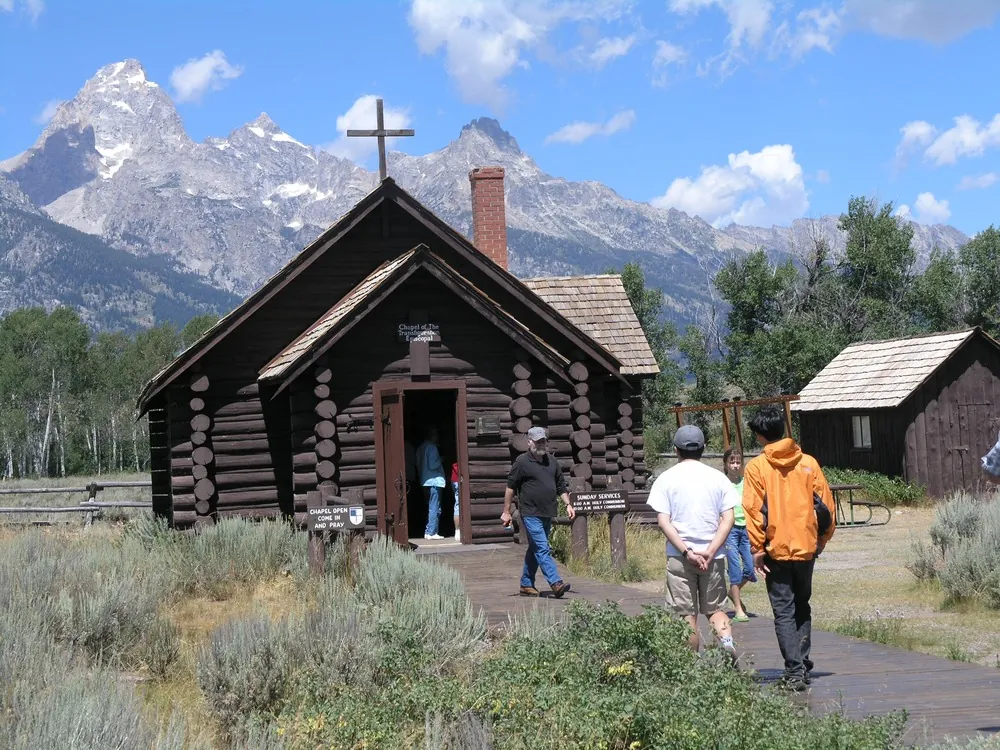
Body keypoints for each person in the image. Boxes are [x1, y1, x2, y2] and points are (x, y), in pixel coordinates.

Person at [743, 407, 836, 692]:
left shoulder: (757, 467)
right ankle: (802, 664)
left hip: (775, 549)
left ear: (760, 436)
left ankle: (794, 672)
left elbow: (752, 511)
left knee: (783, 611)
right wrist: (822, 539)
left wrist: (757, 548)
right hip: (806, 548)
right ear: (782, 430)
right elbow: (826, 506)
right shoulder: (808, 463)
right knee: (802, 606)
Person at [647, 424, 738, 660]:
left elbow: (664, 522)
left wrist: (687, 552)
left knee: (686, 614)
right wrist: (711, 550)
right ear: (703, 448)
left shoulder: (666, 479)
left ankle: (690, 665)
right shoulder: (718, 478)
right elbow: (728, 518)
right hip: (713, 558)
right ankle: (727, 644)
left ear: (676, 450)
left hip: (680, 557)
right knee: (716, 610)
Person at [501, 426, 575, 597]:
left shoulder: (552, 462)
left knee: (534, 548)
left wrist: (568, 504)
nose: (541, 444)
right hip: (530, 512)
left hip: (547, 512)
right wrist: (506, 511)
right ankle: (556, 583)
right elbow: (510, 488)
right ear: (529, 442)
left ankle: (526, 583)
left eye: (543, 441)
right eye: (537, 441)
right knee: (542, 547)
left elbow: (560, 486)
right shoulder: (521, 462)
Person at [723, 448, 756, 623]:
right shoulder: (722, 483)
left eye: (738, 462)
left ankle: (732, 591)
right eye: (732, 462)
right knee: (735, 568)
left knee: (750, 569)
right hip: (730, 528)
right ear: (726, 464)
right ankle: (737, 609)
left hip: (746, 528)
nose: (735, 466)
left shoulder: (746, 482)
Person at [415, 427, 446, 540]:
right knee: (434, 507)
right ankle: (432, 532)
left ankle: (429, 530)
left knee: (430, 507)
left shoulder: (420, 447)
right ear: (432, 436)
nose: (437, 438)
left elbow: (418, 464)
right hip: (434, 481)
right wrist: (441, 459)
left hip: (425, 481)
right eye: (436, 435)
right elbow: (433, 465)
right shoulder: (432, 447)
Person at [451, 461, 461, 542]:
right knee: (458, 505)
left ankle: (457, 531)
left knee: (457, 504)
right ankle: (457, 531)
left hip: (454, 479)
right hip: (459, 479)